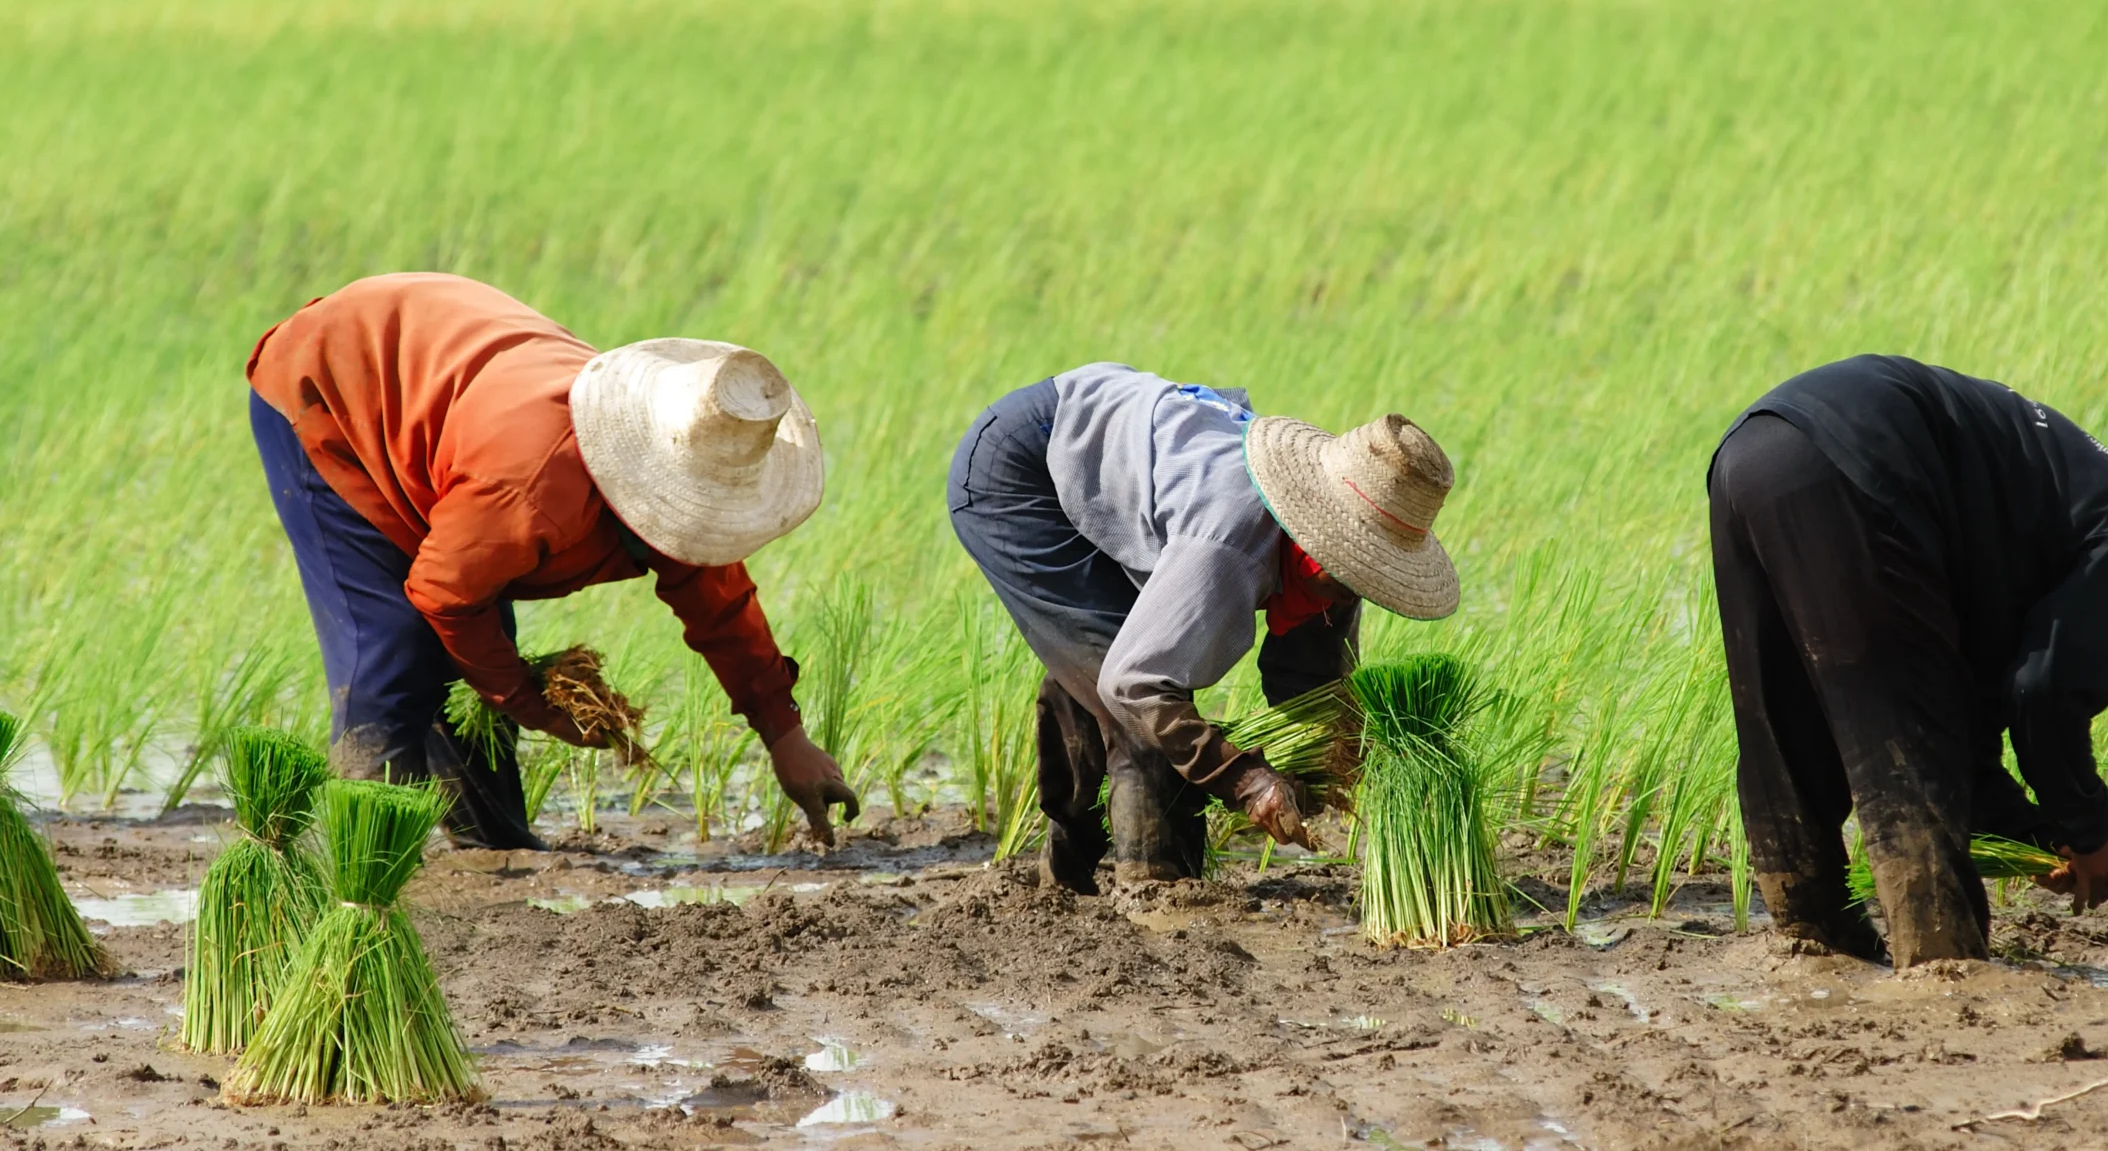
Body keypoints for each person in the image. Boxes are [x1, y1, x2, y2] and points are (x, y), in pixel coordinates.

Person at [1706, 354, 2108, 967]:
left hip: (1748, 453)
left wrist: (2044, 841)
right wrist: (2095, 832)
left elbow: (1968, 737)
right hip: (1859, 460)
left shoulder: (2065, 519)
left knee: (1784, 728)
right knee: (1903, 757)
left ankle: (1812, 945)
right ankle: (1942, 968)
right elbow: (2042, 695)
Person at [246, 273, 859, 850]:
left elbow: (721, 606)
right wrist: (529, 703)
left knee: (469, 665)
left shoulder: (685, 483)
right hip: (335, 380)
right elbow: (444, 593)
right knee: (393, 648)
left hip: (447, 403)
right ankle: (366, 879)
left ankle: (493, 848)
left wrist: (786, 737)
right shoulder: (533, 485)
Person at [948, 364, 1460, 891]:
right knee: (1138, 710)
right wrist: (1247, 780)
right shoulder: (1230, 545)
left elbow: (1309, 681)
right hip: (1021, 472)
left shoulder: (1335, 567)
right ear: (1317, 536)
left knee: (1110, 659)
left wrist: (1349, 754)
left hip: (1112, 444)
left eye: (1372, 569)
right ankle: (1155, 890)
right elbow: (1135, 684)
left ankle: (1065, 876)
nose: (1357, 586)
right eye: (1353, 567)